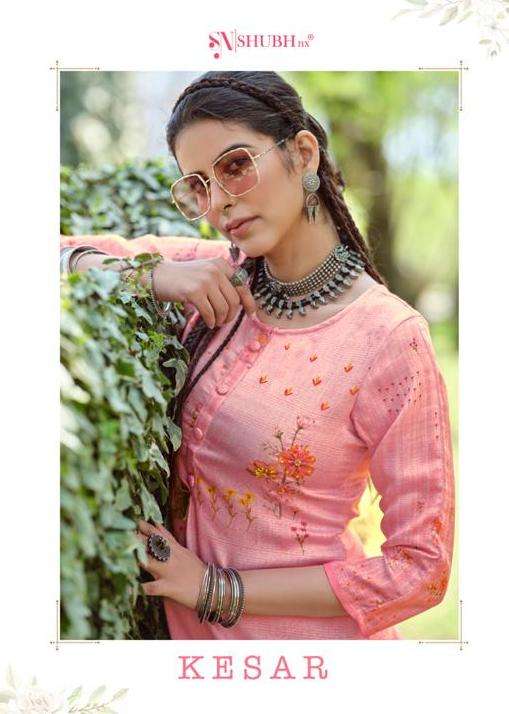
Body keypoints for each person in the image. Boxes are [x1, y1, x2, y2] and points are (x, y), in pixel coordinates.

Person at [60, 71, 455, 640]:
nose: (220, 203)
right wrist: (152, 275)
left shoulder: (390, 338)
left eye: (236, 166)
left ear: (303, 153)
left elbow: (421, 570)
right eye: (199, 186)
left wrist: (213, 587)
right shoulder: (215, 276)